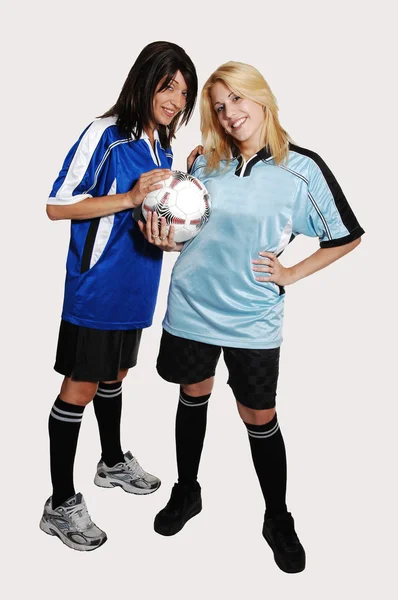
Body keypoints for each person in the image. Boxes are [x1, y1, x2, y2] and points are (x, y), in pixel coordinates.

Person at [145, 61, 364, 573]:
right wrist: (164, 226)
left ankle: (277, 517)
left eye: (237, 100)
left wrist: (290, 273)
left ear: (261, 98)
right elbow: (184, 228)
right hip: (191, 309)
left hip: (251, 320)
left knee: (258, 417)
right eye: (218, 107)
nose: (229, 113)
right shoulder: (205, 164)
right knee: (192, 395)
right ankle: (187, 492)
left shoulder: (301, 168)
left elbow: (346, 235)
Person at [39, 41, 198, 552]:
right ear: (145, 79)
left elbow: (156, 215)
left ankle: (111, 462)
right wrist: (129, 197)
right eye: (168, 84)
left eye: (184, 92)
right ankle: (59, 502)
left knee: (116, 375)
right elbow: (58, 205)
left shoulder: (164, 146)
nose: (175, 98)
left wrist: (176, 209)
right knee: (80, 386)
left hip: (138, 285)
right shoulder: (105, 133)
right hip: (97, 288)